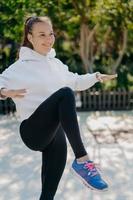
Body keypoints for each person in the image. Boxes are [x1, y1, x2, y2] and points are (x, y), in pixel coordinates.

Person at [0, 16, 117, 200]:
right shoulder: (19, 68)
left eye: (51, 34)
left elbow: (75, 81)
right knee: (65, 94)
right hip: (32, 131)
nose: (48, 39)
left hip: (54, 134)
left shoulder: (56, 64)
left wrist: (96, 77)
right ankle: (82, 160)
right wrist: (5, 91)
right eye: (42, 35)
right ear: (30, 38)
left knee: (48, 194)